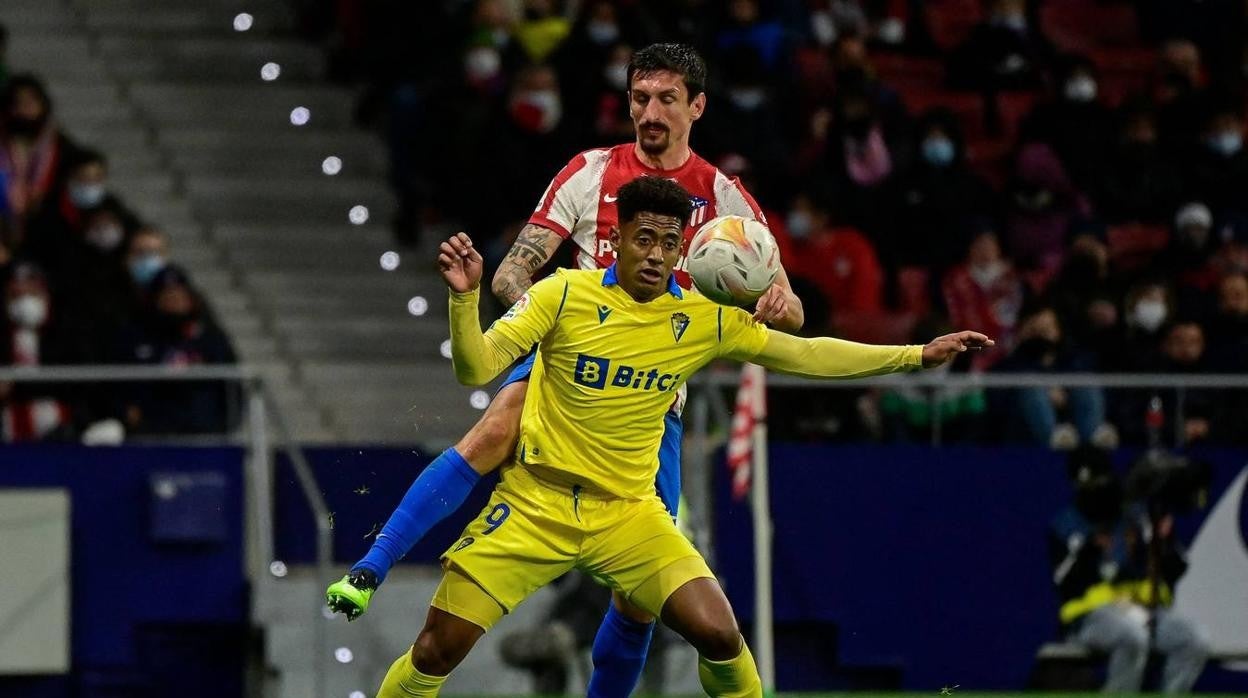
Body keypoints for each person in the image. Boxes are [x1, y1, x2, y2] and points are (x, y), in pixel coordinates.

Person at [334, 176, 991, 697]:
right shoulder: (563, 295)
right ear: (616, 239)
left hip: (629, 514)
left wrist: (913, 356)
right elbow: (474, 368)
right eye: (643, 238)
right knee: (434, 650)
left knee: (721, 634)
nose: (655, 254)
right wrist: (464, 299)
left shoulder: (701, 317)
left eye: (668, 242)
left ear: (684, 249)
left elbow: (808, 354)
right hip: (535, 505)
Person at [328, 42, 805, 698]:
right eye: (640, 98)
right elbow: (514, 269)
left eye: (667, 98)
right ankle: (371, 566)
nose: (651, 112)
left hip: (648, 400)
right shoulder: (588, 172)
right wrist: (551, 312)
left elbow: (793, 312)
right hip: (566, 360)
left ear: (697, 106)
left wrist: (780, 300)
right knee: (496, 427)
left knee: (637, 602)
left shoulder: (724, 199)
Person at [1049, 449, 1208, 693]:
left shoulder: (1135, 516)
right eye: (1089, 484)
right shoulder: (1066, 525)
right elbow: (1064, 582)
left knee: (1194, 642)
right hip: (1091, 619)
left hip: (1141, 612)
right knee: (1133, 638)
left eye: (1101, 481)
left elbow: (1176, 568)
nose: (1096, 489)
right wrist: (1089, 548)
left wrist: (1161, 543)